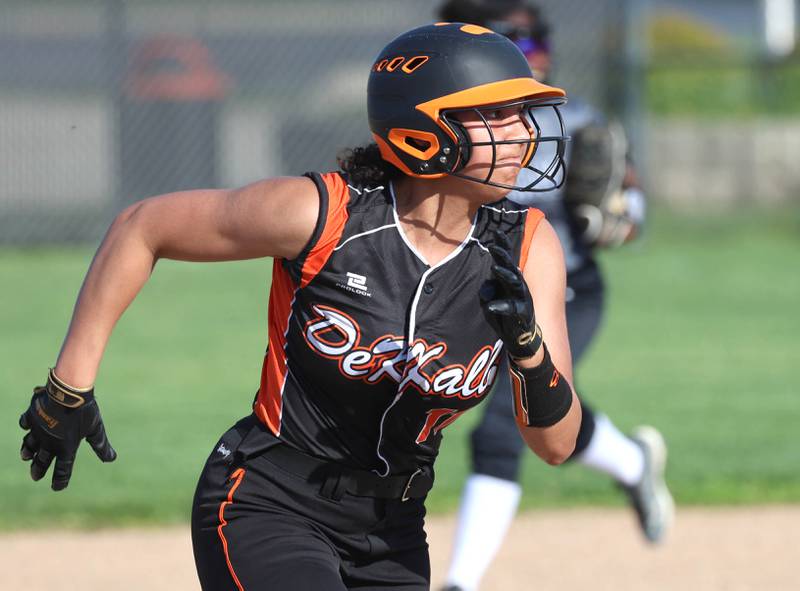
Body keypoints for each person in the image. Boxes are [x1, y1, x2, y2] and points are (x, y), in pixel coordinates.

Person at [19, 23, 583, 591]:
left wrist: (529, 350)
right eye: (498, 115)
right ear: (423, 132)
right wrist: (69, 386)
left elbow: (557, 446)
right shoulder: (324, 215)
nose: (523, 133)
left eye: (523, 113)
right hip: (270, 503)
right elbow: (142, 228)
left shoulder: (528, 247)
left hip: (395, 533)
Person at [436, 2, 674, 590]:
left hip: (562, 288)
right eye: (511, 38)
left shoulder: (575, 122)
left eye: (532, 36)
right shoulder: (446, 120)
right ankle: (632, 462)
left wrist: (615, 218)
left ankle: (461, 582)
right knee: (537, 408)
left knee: (500, 425)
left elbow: (632, 209)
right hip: (473, 288)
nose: (529, 49)